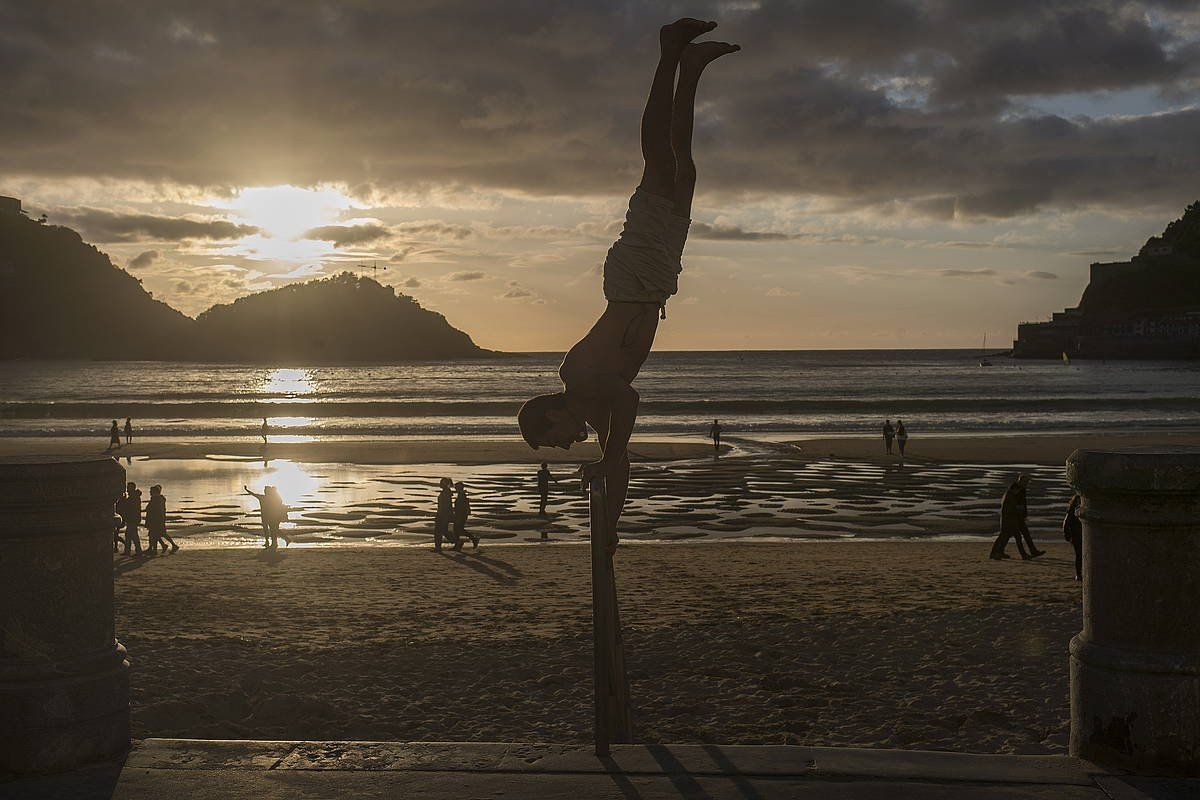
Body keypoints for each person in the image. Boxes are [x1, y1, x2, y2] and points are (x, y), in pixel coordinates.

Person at [518, 19, 739, 555]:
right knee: (683, 170)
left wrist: (612, 452)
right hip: (656, 284)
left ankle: (670, 54)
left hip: (633, 278)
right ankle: (692, 71)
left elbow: (629, 396)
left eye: (555, 438)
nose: (567, 444)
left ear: (552, 412)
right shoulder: (596, 413)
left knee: (658, 161)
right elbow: (620, 461)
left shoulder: (579, 377)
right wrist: (609, 528)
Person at [989, 474, 1044, 560]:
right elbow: (1014, 505)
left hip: (1014, 516)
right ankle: (1022, 554)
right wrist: (1020, 512)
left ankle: (998, 552)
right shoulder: (1014, 491)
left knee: (1011, 535)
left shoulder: (1018, 490)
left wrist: (1022, 513)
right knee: (1011, 536)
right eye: (1026, 482)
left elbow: (1019, 504)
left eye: (1027, 482)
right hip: (1011, 517)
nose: (1027, 484)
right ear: (1021, 481)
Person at [145, 484, 178, 554]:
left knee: (156, 534)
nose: (150, 492)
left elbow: (155, 510)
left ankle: (155, 549)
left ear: (155, 492)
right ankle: (158, 547)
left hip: (156, 520)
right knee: (156, 534)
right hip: (157, 520)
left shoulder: (157, 500)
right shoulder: (157, 499)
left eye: (151, 491)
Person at [452, 481, 478, 551]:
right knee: (458, 530)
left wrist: (458, 516)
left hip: (461, 515)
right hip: (460, 515)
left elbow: (462, 507)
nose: (455, 489)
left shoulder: (462, 495)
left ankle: (472, 539)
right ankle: (459, 545)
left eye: (456, 487)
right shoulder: (461, 494)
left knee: (458, 529)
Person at [120, 482, 143, 556]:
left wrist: (124, 500)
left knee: (132, 535)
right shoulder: (134, 496)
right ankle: (130, 551)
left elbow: (130, 507)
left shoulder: (134, 497)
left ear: (132, 488)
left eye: (128, 488)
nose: (127, 489)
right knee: (130, 535)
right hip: (133, 518)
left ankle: (136, 551)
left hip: (132, 519)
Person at [1064, 494, 1083, 581]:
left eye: (1080, 501)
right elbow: (1065, 523)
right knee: (1079, 555)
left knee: (1082, 555)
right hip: (1076, 536)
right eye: (1077, 501)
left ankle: (1080, 573)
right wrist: (1067, 535)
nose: (1079, 502)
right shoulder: (1071, 511)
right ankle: (1078, 574)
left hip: (1081, 535)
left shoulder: (1082, 510)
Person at [434, 477, 453, 553]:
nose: (440, 484)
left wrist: (441, 515)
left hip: (443, 515)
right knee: (444, 531)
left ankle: (438, 547)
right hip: (442, 514)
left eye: (441, 482)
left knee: (438, 531)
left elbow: (446, 506)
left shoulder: (446, 493)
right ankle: (457, 542)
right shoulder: (446, 492)